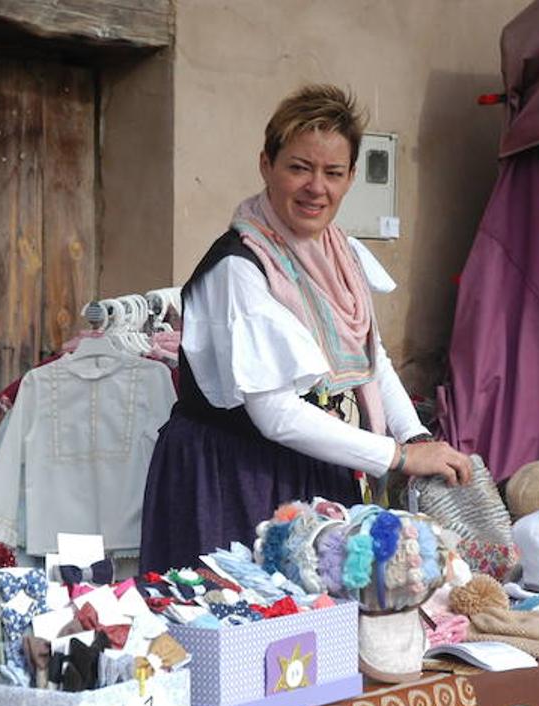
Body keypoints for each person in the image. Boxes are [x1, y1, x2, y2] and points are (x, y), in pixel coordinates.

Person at [139, 84, 472, 572]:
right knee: (245, 628)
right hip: (235, 477)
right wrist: (397, 456)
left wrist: (416, 435)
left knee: (319, 633)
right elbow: (274, 413)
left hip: (314, 468)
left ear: (351, 177)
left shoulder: (342, 254)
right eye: (299, 168)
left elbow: (370, 359)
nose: (317, 187)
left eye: (333, 172)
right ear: (266, 165)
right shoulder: (241, 268)